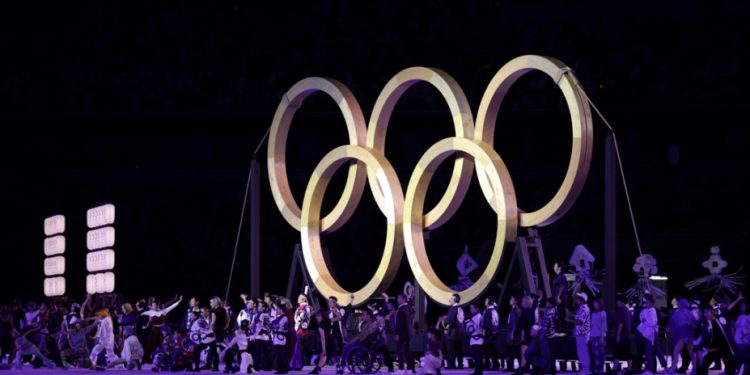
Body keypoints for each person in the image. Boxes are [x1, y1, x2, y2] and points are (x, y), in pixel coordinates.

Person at [696, 307, 737, 375]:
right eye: (704, 313)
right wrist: (704, 347)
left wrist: (738, 299)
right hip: (716, 348)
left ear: (712, 312)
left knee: (730, 366)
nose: (705, 314)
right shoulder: (706, 324)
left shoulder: (720, 319)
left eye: (707, 312)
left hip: (726, 347)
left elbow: (727, 309)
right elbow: (705, 337)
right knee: (705, 361)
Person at [667, 298, 697, 374]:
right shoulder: (689, 313)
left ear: (681, 304)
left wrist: (668, 328)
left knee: (676, 351)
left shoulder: (676, 313)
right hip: (688, 336)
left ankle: (673, 369)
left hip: (683, 336)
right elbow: (695, 325)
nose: (677, 304)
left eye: (678, 303)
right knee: (691, 353)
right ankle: (694, 369)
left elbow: (671, 324)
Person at [568, 292, 590, 375]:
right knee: (581, 352)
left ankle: (586, 369)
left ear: (582, 300)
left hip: (583, 334)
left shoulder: (584, 308)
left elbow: (580, 322)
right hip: (579, 334)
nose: (576, 300)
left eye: (578, 298)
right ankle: (584, 369)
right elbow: (578, 317)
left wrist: (568, 319)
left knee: (583, 352)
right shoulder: (581, 308)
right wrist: (572, 315)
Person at [442, 293, 465, 369]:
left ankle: (451, 365)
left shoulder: (453, 309)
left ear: (455, 300)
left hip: (453, 332)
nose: (450, 300)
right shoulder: (460, 308)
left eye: (451, 299)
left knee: (451, 349)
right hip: (460, 332)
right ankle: (460, 364)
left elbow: (450, 321)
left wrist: (446, 329)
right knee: (459, 349)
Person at [289, 294, 310, 371]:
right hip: (299, 328)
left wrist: (298, 320)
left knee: (298, 347)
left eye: (299, 298)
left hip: (301, 329)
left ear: (304, 299)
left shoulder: (304, 307)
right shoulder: (302, 307)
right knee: (297, 347)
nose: (298, 298)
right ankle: (294, 364)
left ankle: (297, 364)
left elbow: (301, 317)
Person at [395, 293, 415, 374]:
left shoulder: (402, 308)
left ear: (403, 299)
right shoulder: (409, 308)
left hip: (402, 333)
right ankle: (410, 369)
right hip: (408, 333)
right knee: (407, 351)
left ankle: (401, 369)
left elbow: (400, 323)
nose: (397, 300)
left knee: (401, 351)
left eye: (399, 298)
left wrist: (397, 334)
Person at [612, 298, 632, 374]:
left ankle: (614, 369)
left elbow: (621, 323)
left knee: (617, 352)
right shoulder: (628, 311)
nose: (617, 302)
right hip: (627, 335)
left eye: (618, 301)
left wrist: (618, 335)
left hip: (622, 335)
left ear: (622, 302)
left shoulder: (621, 311)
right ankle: (629, 369)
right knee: (628, 353)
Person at [466, 302, 484, 375]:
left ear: (476, 308)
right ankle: (478, 371)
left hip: (477, 340)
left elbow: (475, 329)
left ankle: (478, 372)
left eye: (472, 308)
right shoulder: (477, 316)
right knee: (477, 357)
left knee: (477, 357)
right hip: (476, 339)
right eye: (470, 308)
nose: (470, 309)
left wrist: (469, 327)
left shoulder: (477, 317)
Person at [483, 297, 501, 370]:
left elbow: (486, 322)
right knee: (493, 349)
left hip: (489, 332)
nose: (485, 301)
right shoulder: (494, 310)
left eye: (486, 300)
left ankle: (487, 364)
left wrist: (484, 330)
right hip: (495, 331)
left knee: (487, 349)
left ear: (488, 302)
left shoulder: (488, 310)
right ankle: (496, 364)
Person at [590, 298, 607, 375]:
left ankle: (600, 370)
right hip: (594, 336)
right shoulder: (593, 313)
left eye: (595, 303)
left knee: (601, 354)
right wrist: (590, 335)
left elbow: (603, 326)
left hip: (600, 336)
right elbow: (591, 325)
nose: (594, 304)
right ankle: (596, 370)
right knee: (595, 354)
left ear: (600, 304)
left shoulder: (603, 313)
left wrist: (602, 337)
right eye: (593, 303)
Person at [733, 299, 750, 375]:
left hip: (745, 342)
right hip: (737, 340)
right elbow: (736, 327)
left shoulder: (749, 317)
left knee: (743, 359)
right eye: (741, 306)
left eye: (743, 305)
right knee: (739, 358)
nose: (741, 307)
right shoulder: (739, 316)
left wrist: (746, 337)